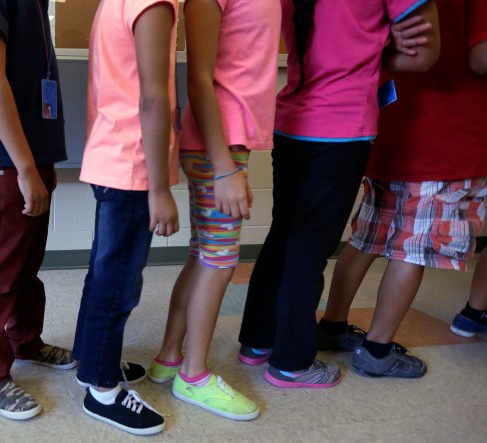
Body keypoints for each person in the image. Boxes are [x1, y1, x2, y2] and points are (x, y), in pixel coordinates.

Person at [237, 0, 440, 388]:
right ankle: (292, 364)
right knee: (308, 247)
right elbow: (424, 56)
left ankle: (257, 342)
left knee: (283, 236)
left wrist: (363, 47)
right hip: (342, 130)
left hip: (292, 122)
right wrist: (373, 50)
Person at [318, 0, 487, 377]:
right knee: (414, 248)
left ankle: (332, 326)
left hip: (391, 121)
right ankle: (377, 351)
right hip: (449, 135)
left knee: (366, 238)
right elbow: (481, 57)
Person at [148, 0, 280, 420]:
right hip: (217, 144)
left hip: (229, 141)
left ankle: (169, 358)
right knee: (220, 261)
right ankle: (194, 375)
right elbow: (199, 79)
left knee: (204, 255)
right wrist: (224, 167)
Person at [0, 0, 78, 420]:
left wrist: (37, 163)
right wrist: (25, 169)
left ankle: (26, 341)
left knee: (25, 265)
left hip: (32, 156)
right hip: (8, 161)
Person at [70, 0, 180, 435]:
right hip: (133, 165)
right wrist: (160, 188)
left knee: (104, 272)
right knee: (118, 283)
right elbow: (153, 96)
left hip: (111, 154)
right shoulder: (153, 3)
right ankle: (102, 389)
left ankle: (92, 360)